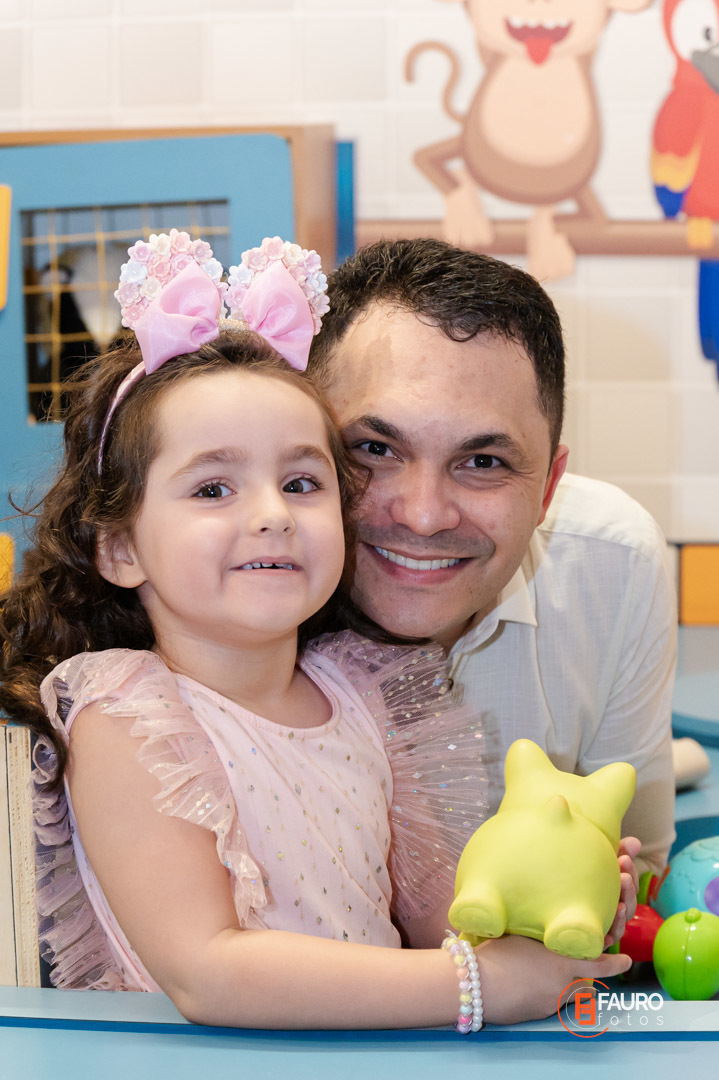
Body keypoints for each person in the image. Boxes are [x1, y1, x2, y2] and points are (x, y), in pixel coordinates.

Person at [0, 231, 633, 1031]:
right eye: (213, 488)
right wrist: (477, 984)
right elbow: (208, 972)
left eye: (301, 482)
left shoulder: (364, 690)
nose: (271, 514)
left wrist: (546, 906)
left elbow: (439, 926)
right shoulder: (127, 716)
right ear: (120, 547)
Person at [308, 236, 676, 880]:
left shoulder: (613, 564)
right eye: (375, 449)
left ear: (549, 488)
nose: (424, 515)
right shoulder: (227, 589)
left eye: (483, 461)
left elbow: (639, 865)